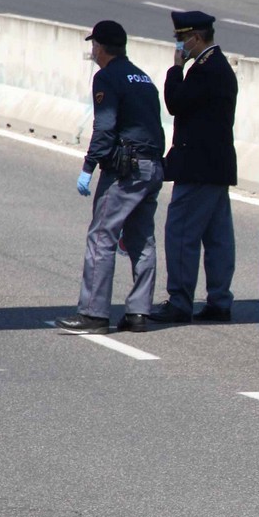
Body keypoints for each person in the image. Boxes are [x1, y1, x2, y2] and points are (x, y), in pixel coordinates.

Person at [55, 20, 165, 335]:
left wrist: (89, 167)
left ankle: (94, 314)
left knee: (101, 236)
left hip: (125, 171)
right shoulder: (143, 77)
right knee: (141, 239)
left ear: (100, 48)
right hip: (152, 167)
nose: (93, 51)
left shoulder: (107, 77)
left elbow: (105, 126)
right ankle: (138, 313)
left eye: (94, 46)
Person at [149, 10, 239, 324]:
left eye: (181, 39)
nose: (179, 45)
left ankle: (180, 301)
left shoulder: (204, 69)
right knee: (217, 238)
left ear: (195, 38)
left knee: (181, 233)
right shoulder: (220, 66)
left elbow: (175, 103)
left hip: (198, 167)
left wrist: (176, 68)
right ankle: (219, 300)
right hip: (215, 167)